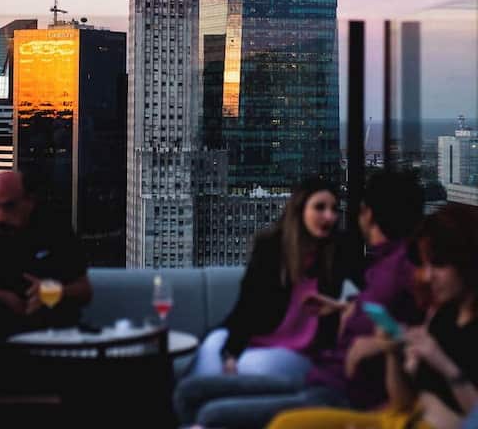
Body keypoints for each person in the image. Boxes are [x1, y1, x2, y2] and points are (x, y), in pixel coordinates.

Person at [177, 169, 424, 429]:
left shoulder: (351, 255)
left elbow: (400, 315)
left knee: (213, 411)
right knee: (191, 388)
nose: (329, 216)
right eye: (320, 207)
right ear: (300, 209)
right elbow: (246, 309)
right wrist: (231, 354)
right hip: (307, 365)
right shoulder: (272, 248)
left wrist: (373, 338)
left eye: (334, 209)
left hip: (314, 366)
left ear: (368, 214)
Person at [266, 202, 478, 429]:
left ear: (466, 262)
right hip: (400, 417)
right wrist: (392, 354)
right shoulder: (442, 314)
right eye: (426, 265)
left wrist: (441, 362)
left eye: (438, 265)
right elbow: (402, 400)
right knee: (285, 423)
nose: (427, 276)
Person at [0, 170, 92, 337]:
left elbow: (84, 291)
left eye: (9, 206)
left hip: (52, 330)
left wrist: (53, 292)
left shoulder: (54, 227)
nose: (0, 217)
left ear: (30, 201)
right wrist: (3, 297)